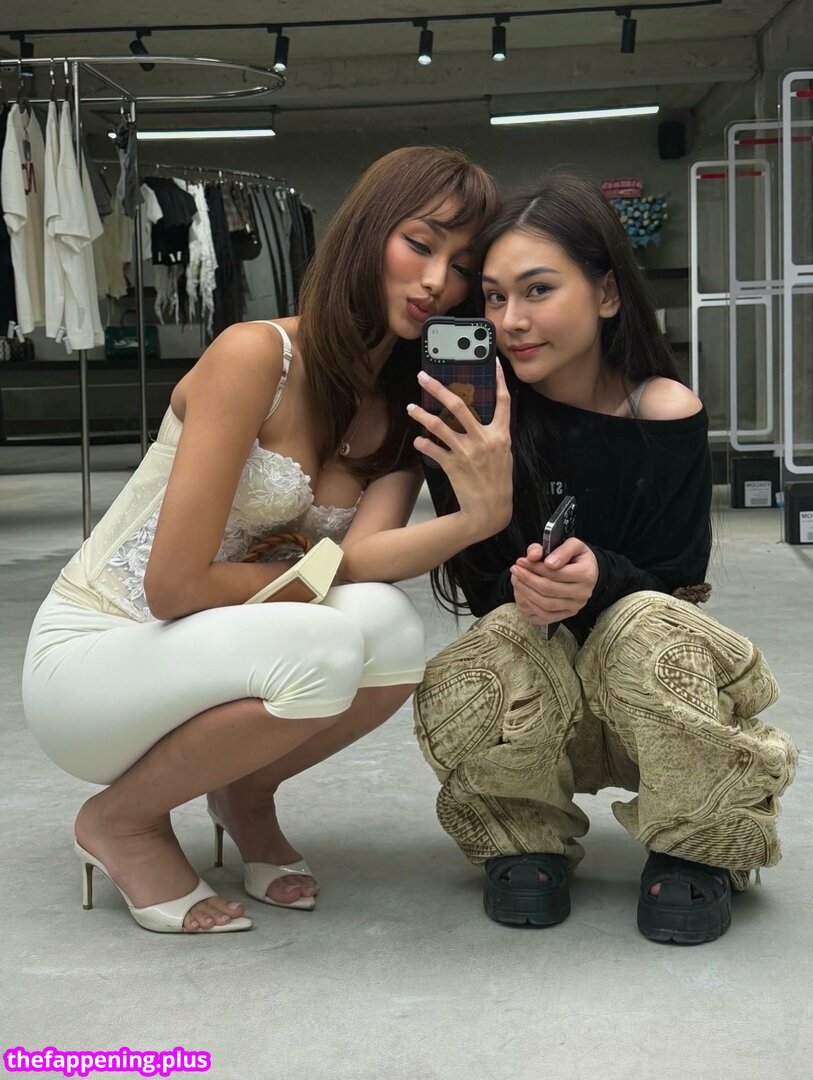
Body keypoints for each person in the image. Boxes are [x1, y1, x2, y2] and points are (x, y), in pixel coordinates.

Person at [22, 146, 512, 935]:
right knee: (325, 641)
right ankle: (121, 820)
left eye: (460, 267)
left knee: (391, 630)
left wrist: (475, 520)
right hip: (96, 659)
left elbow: (362, 562)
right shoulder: (256, 355)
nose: (435, 283)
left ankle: (244, 792)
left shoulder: (399, 407)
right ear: (367, 233)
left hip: (207, 655)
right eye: (419, 244)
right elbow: (174, 587)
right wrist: (312, 577)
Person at [414, 173, 797, 944]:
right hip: (535, 704)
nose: (511, 321)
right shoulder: (474, 418)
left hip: (648, 709)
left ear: (607, 294)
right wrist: (486, 496)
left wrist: (599, 578)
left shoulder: (662, 410)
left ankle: (693, 846)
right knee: (496, 642)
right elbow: (484, 593)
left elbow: (675, 579)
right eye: (493, 297)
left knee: (648, 620)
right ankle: (522, 837)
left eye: (537, 290)